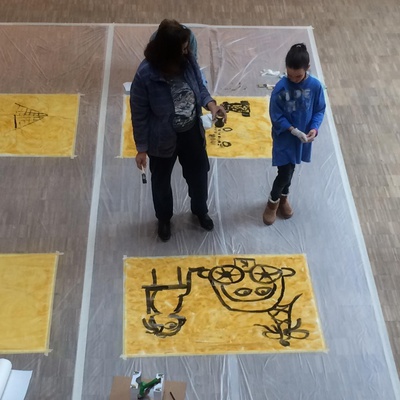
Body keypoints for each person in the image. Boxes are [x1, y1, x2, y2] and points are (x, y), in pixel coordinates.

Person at [130, 19, 227, 241]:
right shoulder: (145, 75)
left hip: (191, 132)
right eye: (182, 49)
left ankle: (200, 210)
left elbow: (199, 87)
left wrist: (211, 105)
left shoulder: (188, 61)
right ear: (167, 53)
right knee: (161, 182)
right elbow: (139, 115)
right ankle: (164, 218)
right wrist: (141, 148)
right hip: (161, 139)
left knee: (199, 174)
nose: (187, 52)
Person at [263, 43, 326, 225]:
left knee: (291, 169)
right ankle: (272, 203)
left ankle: (284, 198)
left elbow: (319, 109)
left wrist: (314, 128)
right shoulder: (281, 88)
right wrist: (292, 129)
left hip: (302, 140)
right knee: (285, 172)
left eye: (298, 76)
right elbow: (276, 115)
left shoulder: (315, 86)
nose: (294, 79)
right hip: (284, 138)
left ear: (307, 68)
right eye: (290, 75)